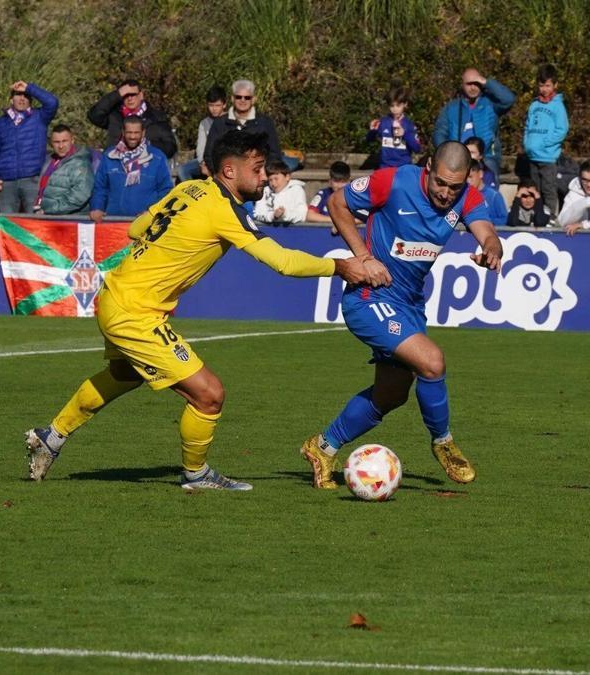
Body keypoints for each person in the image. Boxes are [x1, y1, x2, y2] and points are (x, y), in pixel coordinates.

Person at [23, 130, 370, 489]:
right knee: (208, 394)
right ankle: (198, 474)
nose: (264, 176)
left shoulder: (189, 188)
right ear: (230, 171)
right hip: (135, 312)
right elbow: (282, 262)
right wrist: (340, 267)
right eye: (258, 168)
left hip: (116, 294)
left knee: (124, 375)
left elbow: (138, 228)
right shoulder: (224, 209)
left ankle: (50, 437)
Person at [299, 141, 503, 489]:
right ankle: (443, 443)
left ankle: (322, 448)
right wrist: (363, 257)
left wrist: (491, 250)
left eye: (454, 186)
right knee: (432, 361)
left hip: (408, 304)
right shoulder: (392, 181)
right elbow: (337, 203)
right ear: (427, 168)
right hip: (369, 298)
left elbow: (488, 233)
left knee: (391, 394)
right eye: (440, 182)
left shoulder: (466, 198)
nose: (445, 193)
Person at [0, 81, 59, 213]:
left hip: (32, 180)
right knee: (8, 226)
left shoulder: (39, 117)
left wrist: (29, 88)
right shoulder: (0, 123)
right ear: (11, 99)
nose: (22, 98)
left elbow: (52, 102)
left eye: (26, 95)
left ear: (30, 99)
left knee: (34, 224)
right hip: (6, 182)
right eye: (18, 95)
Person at [432, 67, 515, 180]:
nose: (473, 87)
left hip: (486, 157)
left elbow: (508, 99)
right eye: (469, 84)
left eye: (476, 83)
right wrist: (448, 152)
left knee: (488, 190)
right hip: (458, 157)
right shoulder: (452, 108)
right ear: (462, 85)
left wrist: (486, 82)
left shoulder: (490, 104)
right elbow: (439, 132)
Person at [89, 116, 173, 223]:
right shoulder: (110, 156)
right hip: (112, 222)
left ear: (143, 133)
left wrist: (151, 212)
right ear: (123, 132)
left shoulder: (157, 157)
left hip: (144, 223)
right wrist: (97, 208)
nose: (132, 136)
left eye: (136, 132)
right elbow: (100, 187)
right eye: (129, 132)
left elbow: (166, 190)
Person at [203, 79, 287, 173]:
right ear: (232, 98)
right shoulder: (220, 123)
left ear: (254, 99)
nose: (242, 100)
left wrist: (262, 173)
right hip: (228, 179)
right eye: (238, 97)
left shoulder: (265, 123)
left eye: (247, 97)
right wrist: (223, 174)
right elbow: (209, 154)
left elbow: (274, 154)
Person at [523, 64, 570, 218]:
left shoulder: (558, 106)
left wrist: (545, 143)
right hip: (532, 156)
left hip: (547, 157)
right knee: (534, 189)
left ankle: (551, 217)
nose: (544, 89)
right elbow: (528, 126)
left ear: (555, 85)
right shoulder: (534, 105)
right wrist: (527, 142)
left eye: (548, 85)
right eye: (541, 85)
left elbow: (562, 129)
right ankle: (537, 215)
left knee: (548, 189)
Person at [87, 79, 177, 160]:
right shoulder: (115, 116)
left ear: (141, 95)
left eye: (133, 95)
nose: (129, 98)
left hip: (146, 169)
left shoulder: (156, 118)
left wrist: (146, 146)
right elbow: (94, 115)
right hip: (115, 167)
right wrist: (117, 94)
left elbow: (170, 148)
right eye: (125, 95)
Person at [36, 125, 96, 215]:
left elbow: (80, 196)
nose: (61, 146)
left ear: (72, 140)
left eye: (64, 141)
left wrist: (50, 210)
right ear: (51, 143)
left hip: (68, 220)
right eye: (56, 142)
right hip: (45, 217)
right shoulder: (49, 161)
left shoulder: (81, 163)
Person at [177, 85, 228, 182]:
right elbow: (201, 147)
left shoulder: (230, 121)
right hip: (207, 160)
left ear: (224, 104)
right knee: (182, 170)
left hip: (225, 160)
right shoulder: (204, 123)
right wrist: (203, 163)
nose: (214, 109)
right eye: (211, 105)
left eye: (217, 105)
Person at [367, 85, 421, 169]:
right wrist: (372, 131)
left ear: (405, 104)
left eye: (398, 105)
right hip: (385, 167)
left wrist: (405, 134)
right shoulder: (383, 122)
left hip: (403, 167)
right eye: (392, 106)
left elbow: (417, 148)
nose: (395, 109)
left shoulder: (409, 125)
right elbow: (369, 140)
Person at [253, 159, 307, 226]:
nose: (273, 183)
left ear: (287, 177)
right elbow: (258, 213)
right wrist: (273, 215)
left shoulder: (297, 190)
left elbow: (302, 214)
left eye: (276, 179)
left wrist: (284, 215)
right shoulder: (265, 191)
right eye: (270, 180)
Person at [467, 160, 507, 227]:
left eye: (470, 177)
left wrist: (485, 222)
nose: (468, 181)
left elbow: (504, 219)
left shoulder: (494, 195)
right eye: (465, 178)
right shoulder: (463, 195)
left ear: (480, 174)